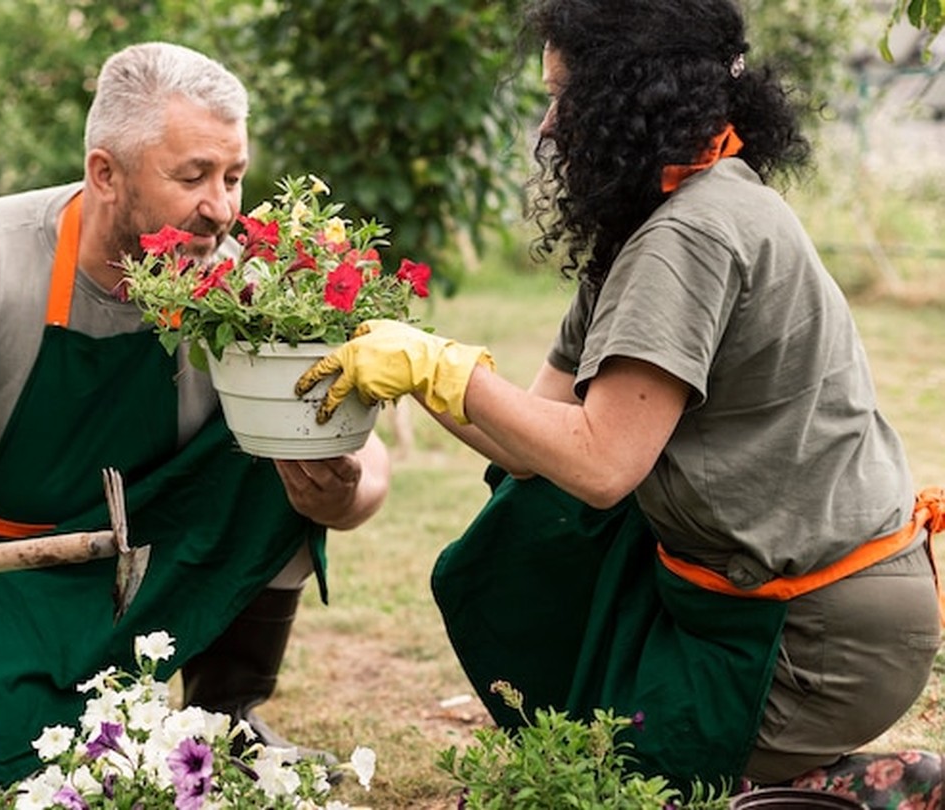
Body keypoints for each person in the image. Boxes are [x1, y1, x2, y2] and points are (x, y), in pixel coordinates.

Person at [297, 0, 944, 803]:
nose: (547, 127)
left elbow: (602, 463)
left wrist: (442, 369)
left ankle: (849, 789)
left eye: (563, 96)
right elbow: (527, 438)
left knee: (601, 783)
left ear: (633, 94)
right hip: (768, 600)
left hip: (817, 635)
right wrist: (414, 364)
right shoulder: (664, 221)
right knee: (525, 529)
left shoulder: (691, 236)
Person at [0, 41, 390, 786]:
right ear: (106, 173)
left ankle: (225, 712)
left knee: (282, 443)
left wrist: (347, 488)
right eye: (193, 176)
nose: (223, 209)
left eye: (233, 176)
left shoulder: (242, 287)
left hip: (137, 559)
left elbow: (357, 448)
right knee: (7, 766)